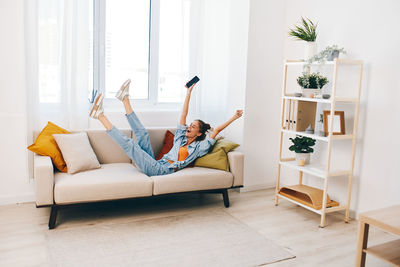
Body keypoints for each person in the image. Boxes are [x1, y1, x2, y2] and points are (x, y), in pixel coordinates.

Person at [89, 79, 243, 176]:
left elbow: (216, 131)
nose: (189, 126)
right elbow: (184, 114)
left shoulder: (200, 147)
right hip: (156, 162)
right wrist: (189, 92)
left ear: (199, 132)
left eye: (193, 126)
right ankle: (125, 99)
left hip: (161, 170)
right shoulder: (180, 138)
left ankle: (100, 116)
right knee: (142, 134)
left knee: (131, 145)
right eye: (190, 124)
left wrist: (234, 117)